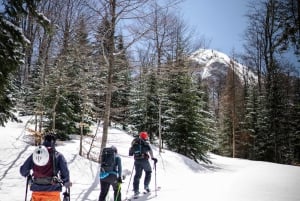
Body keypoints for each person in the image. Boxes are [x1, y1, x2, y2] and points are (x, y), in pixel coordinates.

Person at [20, 132, 70, 201]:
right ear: (54, 142)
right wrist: (66, 183)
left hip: (37, 191)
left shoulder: (35, 155)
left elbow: (23, 170)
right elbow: (65, 173)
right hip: (53, 192)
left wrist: (29, 177)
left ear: (44, 141)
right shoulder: (58, 156)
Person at [129, 131, 157, 196]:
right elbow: (150, 150)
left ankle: (136, 190)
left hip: (137, 160)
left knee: (137, 175)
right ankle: (146, 186)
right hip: (144, 160)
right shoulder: (145, 143)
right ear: (145, 136)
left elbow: (130, 152)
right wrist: (153, 158)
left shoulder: (135, 142)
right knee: (148, 172)